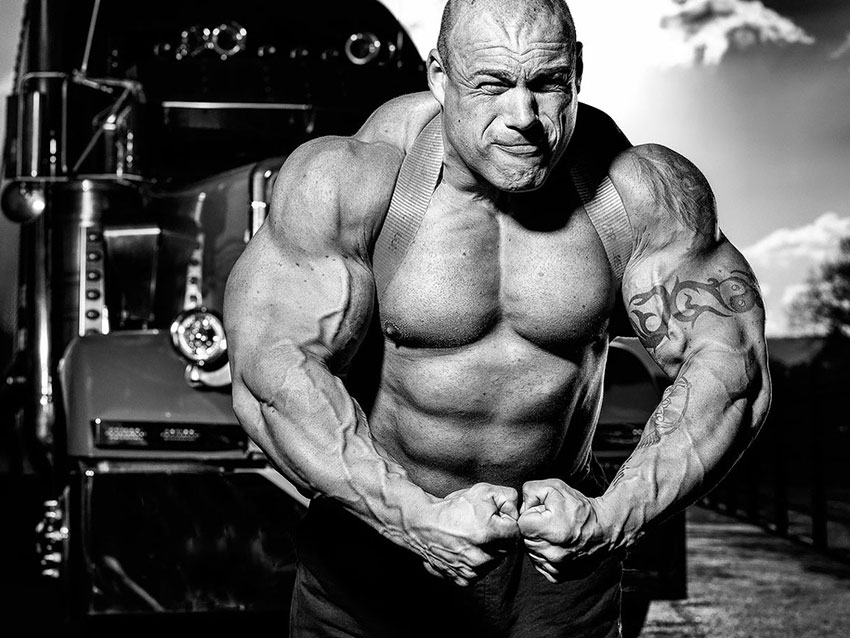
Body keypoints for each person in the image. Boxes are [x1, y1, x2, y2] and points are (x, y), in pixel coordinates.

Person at [223, 0, 772, 636]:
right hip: (370, 562)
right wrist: (410, 518)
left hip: (553, 579)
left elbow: (736, 373)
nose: (523, 118)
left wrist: (615, 517)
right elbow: (271, 377)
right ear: (439, 76)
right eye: (491, 84)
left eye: (546, 83)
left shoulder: (638, 195)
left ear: (577, 74)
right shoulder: (354, 181)